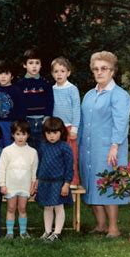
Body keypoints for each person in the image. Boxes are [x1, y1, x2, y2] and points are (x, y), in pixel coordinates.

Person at [79, 51, 130, 238]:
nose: (99, 72)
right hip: (89, 149)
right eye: (96, 69)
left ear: (112, 71)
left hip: (109, 149)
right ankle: (100, 225)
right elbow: (83, 123)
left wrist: (115, 146)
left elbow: (121, 122)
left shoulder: (120, 96)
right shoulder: (88, 95)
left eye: (104, 68)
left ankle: (113, 228)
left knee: (109, 186)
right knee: (92, 184)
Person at [36, 117, 74, 242]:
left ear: (61, 132)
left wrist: (66, 183)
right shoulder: (42, 146)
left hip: (59, 182)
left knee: (58, 207)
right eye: (48, 133)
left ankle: (57, 233)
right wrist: (37, 179)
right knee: (47, 207)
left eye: (55, 133)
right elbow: (40, 163)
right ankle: (47, 231)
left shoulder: (65, 147)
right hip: (44, 182)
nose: (51, 136)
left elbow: (69, 167)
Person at [0, 120, 38, 239]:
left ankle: (23, 232)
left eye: (23, 134)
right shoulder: (7, 151)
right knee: (10, 208)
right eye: (18, 134)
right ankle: (9, 232)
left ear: (28, 135)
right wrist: (2, 185)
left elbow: (34, 171)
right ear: (12, 135)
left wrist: (33, 186)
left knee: (22, 208)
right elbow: (2, 169)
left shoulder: (32, 152)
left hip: (24, 186)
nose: (20, 137)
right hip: (11, 186)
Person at [15, 48, 54, 149]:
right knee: (27, 149)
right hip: (27, 122)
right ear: (24, 65)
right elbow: (18, 103)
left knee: (42, 148)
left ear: (41, 65)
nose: (34, 66)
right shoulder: (20, 84)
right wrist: (22, 120)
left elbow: (50, 101)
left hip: (42, 121)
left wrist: (47, 117)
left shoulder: (45, 83)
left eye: (37, 63)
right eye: (31, 63)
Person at [51, 57, 81, 188]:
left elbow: (76, 109)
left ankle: (73, 180)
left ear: (68, 73)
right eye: (56, 71)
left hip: (69, 127)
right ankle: (59, 179)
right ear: (52, 73)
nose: (59, 74)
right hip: (56, 128)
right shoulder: (51, 89)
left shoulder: (72, 89)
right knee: (57, 155)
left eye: (62, 71)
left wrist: (74, 129)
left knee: (71, 155)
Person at [0, 60, 25, 148]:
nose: (3, 76)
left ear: (12, 76)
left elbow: (21, 109)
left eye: (6, 74)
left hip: (10, 124)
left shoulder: (16, 91)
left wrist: (18, 125)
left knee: (10, 147)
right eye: (0, 73)